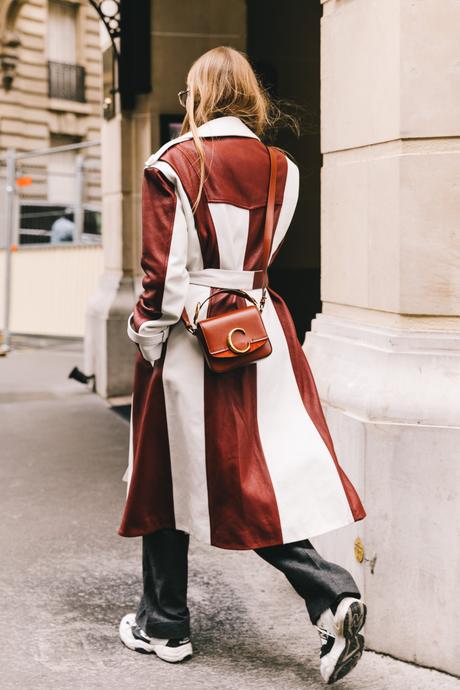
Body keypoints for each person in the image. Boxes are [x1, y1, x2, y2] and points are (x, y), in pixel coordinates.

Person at [117, 46, 367, 685]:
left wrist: (147, 338)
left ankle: (168, 623)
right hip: (261, 333)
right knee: (250, 475)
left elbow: (163, 277)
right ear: (251, 96)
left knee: (169, 476)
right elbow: (258, 257)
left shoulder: (173, 164)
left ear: (196, 94)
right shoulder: (282, 167)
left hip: (190, 340)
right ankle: (318, 598)